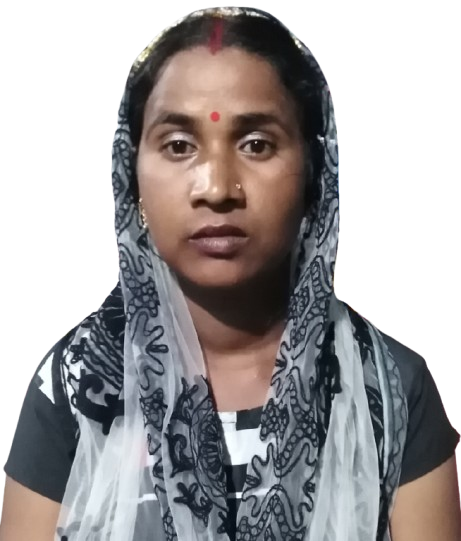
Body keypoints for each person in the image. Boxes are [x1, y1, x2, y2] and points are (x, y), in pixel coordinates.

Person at [0, 6, 460, 541]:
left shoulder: (391, 389)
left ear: (315, 173)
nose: (217, 187)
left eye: (256, 144)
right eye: (179, 146)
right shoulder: (76, 386)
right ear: (132, 176)